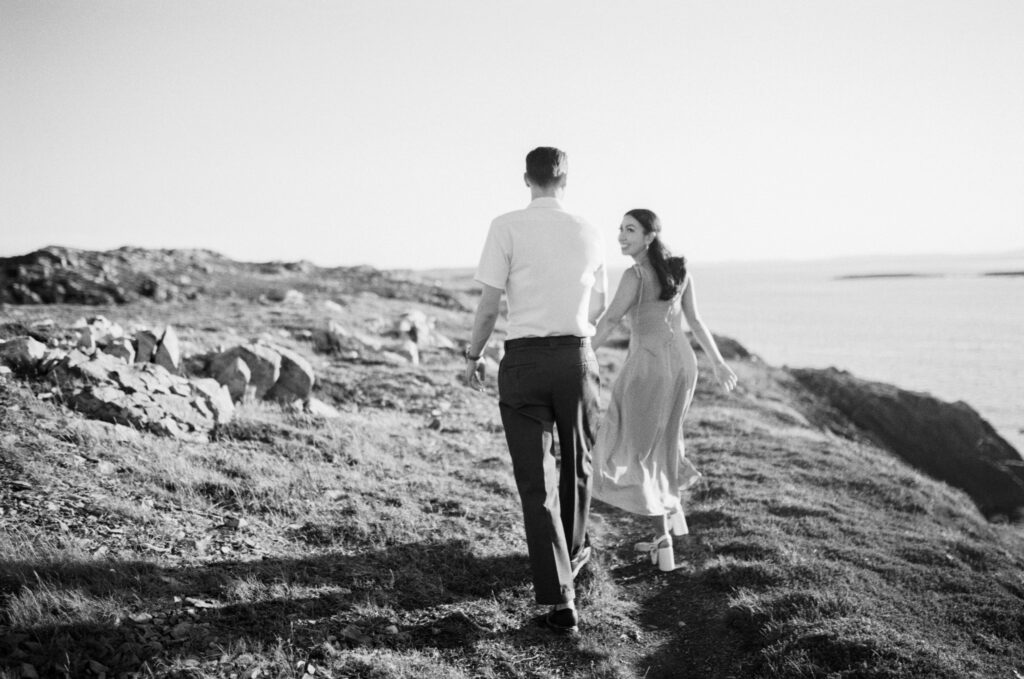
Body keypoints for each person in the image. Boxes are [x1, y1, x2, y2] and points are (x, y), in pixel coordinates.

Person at [464, 147, 607, 634]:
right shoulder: (589, 229)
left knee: (536, 479)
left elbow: (488, 305)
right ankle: (574, 554)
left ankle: (558, 596)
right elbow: (601, 302)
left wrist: (474, 354)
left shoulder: (506, 225)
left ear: (527, 178)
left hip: (523, 359)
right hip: (576, 357)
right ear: (566, 180)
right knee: (578, 464)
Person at [590, 208, 737, 571]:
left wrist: (581, 353)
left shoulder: (635, 274)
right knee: (665, 441)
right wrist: (716, 362)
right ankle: (671, 515)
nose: (622, 237)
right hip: (684, 366)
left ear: (649, 236)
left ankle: (662, 539)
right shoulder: (679, 269)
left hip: (649, 366)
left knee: (638, 447)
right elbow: (696, 322)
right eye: (620, 230)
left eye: (630, 230)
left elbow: (609, 320)